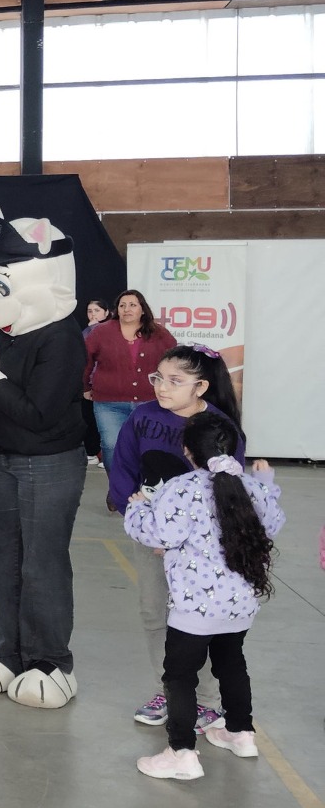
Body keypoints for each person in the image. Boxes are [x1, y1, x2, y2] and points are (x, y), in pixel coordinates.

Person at [125, 412, 282, 781]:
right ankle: (241, 733)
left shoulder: (181, 488)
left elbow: (160, 534)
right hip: (239, 606)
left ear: (187, 450)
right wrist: (266, 484)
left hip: (195, 608)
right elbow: (272, 522)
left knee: (180, 676)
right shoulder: (249, 487)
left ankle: (181, 752)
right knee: (232, 664)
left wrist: (137, 506)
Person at [110, 344, 244, 733]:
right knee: (155, 613)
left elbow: (227, 490)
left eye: (175, 381)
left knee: (199, 619)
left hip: (200, 547)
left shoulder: (219, 427)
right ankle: (167, 690)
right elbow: (123, 469)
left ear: (200, 387)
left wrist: (178, 538)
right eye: (158, 378)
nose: (162, 387)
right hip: (150, 537)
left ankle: (207, 701)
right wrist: (146, 526)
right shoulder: (142, 417)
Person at [84, 289, 177, 470]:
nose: (127, 309)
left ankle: (144, 484)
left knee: (149, 447)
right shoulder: (101, 332)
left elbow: (175, 360)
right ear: (116, 310)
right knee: (112, 445)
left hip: (150, 402)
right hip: (109, 404)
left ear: (142, 309)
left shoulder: (159, 333)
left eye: (133, 305)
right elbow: (85, 360)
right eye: (122, 305)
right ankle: (118, 484)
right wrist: (85, 387)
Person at [81, 299, 111, 466]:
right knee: (89, 419)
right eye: (90, 310)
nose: (93, 314)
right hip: (88, 381)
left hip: (103, 381)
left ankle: (106, 455)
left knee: (105, 420)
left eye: (97, 310)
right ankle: (91, 452)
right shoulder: (87, 330)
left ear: (106, 313)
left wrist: (93, 328)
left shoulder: (109, 329)